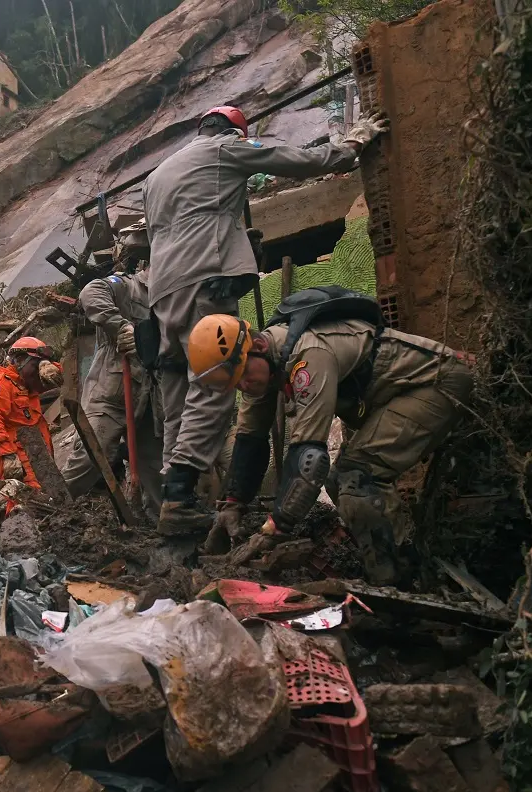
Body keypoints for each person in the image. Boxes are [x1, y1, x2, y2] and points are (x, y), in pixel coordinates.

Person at [142, 105, 389, 535]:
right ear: (235, 132)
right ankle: (182, 497)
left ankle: (172, 490)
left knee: (179, 384)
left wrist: (235, 235)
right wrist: (351, 144)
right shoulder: (226, 149)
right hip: (205, 279)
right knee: (218, 380)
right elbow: (297, 161)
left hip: (163, 288)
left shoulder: (158, 174)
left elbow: (186, 223)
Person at [187, 310, 473, 584]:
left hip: (434, 382)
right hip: (396, 393)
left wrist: (275, 528)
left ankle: (400, 578)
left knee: (357, 477)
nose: (245, 386)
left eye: (243, 376)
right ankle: (396, 559)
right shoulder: (262, 365)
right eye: (235, 385)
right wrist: (232, 505)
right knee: (341, 482)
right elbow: (249, 439)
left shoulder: (307, 355)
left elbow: (309, 459)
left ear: (258, 345)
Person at [60, 271, 164, 516]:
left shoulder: (169, 298)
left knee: (154, 467)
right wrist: (122, 327)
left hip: (148, 400)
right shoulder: (127, 286)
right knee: (91, 457)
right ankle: (50, 512)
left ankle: (161, 526)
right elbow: (90, 293)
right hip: (110, 395)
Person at [0, 337, 63, 490]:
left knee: (48, 499)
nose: (39, 371)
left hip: (39, 455)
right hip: (18, 458)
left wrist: (50, 367)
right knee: (26, 502)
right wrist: (8, 457)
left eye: (42, 365)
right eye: (36, 365)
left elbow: (57, 377)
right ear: (19, 360)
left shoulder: (28, 382)